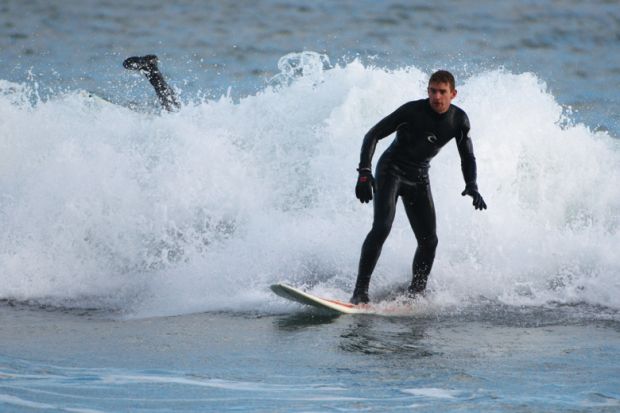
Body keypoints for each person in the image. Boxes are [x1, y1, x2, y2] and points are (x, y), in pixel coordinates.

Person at [350, 70, 487, 304]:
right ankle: (360, 292)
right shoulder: (412, 111)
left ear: (453, 94)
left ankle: (416, 294)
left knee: (429, 241)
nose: (437, 96)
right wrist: (364, 172)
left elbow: (468, 157)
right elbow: (372, 135)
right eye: (432, 90)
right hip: (391, 170)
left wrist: (471, 184)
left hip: (419, 177)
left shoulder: (459, 120)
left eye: (442, 92)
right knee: (382, 227)